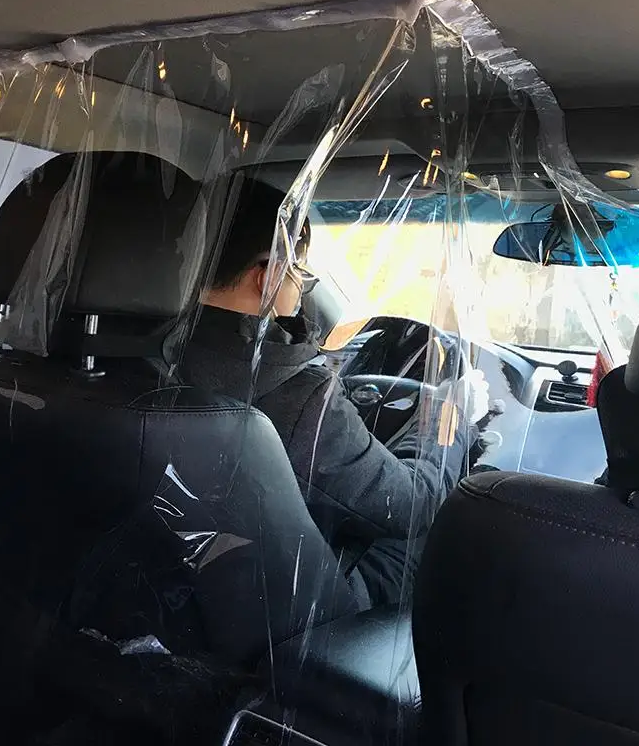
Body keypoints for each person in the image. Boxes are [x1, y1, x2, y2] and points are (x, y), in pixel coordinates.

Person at [176, 178, 490, 605]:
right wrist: (448, 418)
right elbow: (410, 504)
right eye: (300, 271)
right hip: (294, 611)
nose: (302, 285)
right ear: (269, 277)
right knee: (434, 536)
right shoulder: (295, 395)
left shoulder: (150, 357)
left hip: (189, 590)